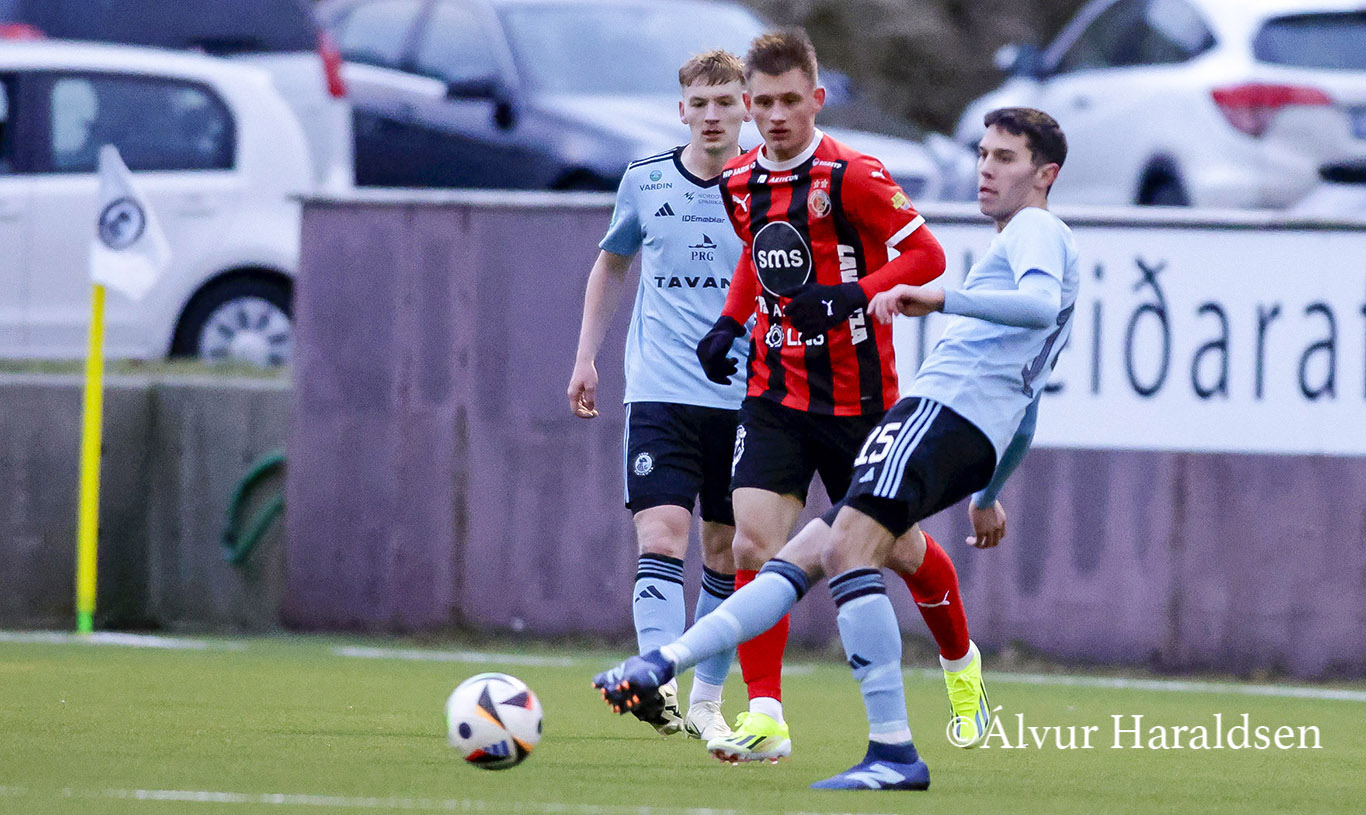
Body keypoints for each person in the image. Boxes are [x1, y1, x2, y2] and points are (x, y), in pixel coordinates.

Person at [595, 106, 1077, 791]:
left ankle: (898, 744)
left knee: (860, 550)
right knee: (791, 553)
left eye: (1005, 157)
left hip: (924, 412)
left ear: (1045, 174)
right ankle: (672, 668)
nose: (986, 169)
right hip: (853, 406)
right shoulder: (751, 183)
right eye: (983, 154)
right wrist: (989, 493)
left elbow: (1035, 304)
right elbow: (1027, 402)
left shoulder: (1035, 229)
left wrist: (937, 299)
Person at [687, 28, 982, 763]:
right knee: (753, 541)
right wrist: (729, 322)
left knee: (901, 551)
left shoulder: (853, 174)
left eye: (791, 100)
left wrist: (853, 294)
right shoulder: (738, 180)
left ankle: (961, 664)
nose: (776, 115)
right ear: (748, 105)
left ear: (817, 99)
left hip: (862, 402)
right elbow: (759, 257)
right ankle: (766, 714)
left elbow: (927, 255)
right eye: (764, 102)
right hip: (775, 390)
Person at [567, 50, 752, 742]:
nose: (712, 116)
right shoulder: (645, 179)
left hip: (745, 397)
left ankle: (706, 701)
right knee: (661, 533)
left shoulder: (768, 185)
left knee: (725, 550)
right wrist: (586, 356)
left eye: (725, 102)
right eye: (700, 104)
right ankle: (655, 678)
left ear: (746, 109)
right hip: (659, 390)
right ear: (682, 111)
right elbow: (612, 262)